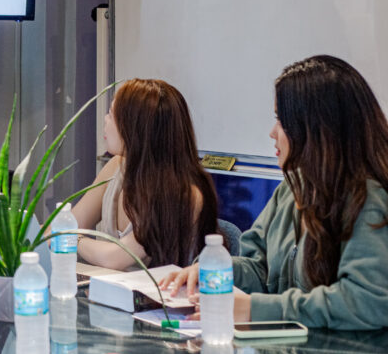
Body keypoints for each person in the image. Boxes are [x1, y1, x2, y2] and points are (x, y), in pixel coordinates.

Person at [160, 55, 388, 329]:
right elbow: (260, 267)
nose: (272, 132)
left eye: (281, 121)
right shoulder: (291, 189)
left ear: (315, 128)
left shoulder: (369, 199)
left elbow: (366, 301)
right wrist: (215, 271)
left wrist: (256, 309)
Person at [72, 78, 220, 270]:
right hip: (113, 294)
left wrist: (71, 239)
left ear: (135, 129)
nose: (105, 121)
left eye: (111, 114)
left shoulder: (184, 194)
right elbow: (69, 223)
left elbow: (116, 257)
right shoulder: (116, 167)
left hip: (161, 297)